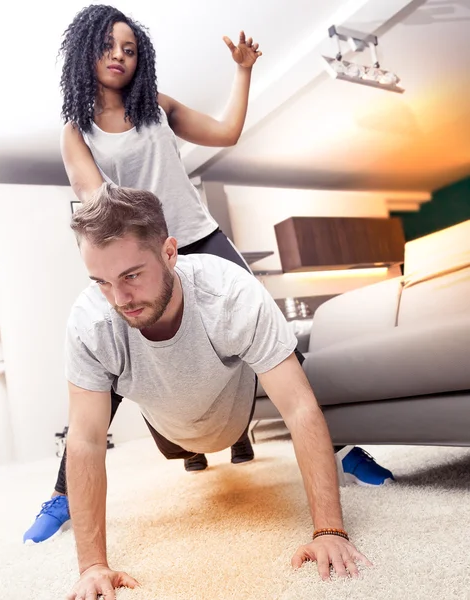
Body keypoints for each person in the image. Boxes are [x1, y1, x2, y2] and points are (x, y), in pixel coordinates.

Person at [22, 3, 393, 544]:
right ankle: (64, 497)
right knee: (107, 363)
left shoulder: (158, 107)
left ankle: (342, 452)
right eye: (107, 47)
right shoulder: (75, 132)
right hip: (140, 253)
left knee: (280, 344)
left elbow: (227, 132)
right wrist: (135, 253)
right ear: (85, 53)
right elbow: (94, 198)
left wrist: (243, 71)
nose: (119, 56)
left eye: (129, 48)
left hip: (199, 235)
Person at [63, 185, 373, 599]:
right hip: (169, 428)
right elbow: (85, 439)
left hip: (232, 408)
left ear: (170, 252)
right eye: (101, 281)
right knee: (182, 449)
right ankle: (192, 450)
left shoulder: (230, 293)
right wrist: (92, 566)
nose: (120, 299)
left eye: (132, 276)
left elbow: (298, 407)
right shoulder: (91, 323)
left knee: (241, 416)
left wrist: (329, 530)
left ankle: (234, 437)